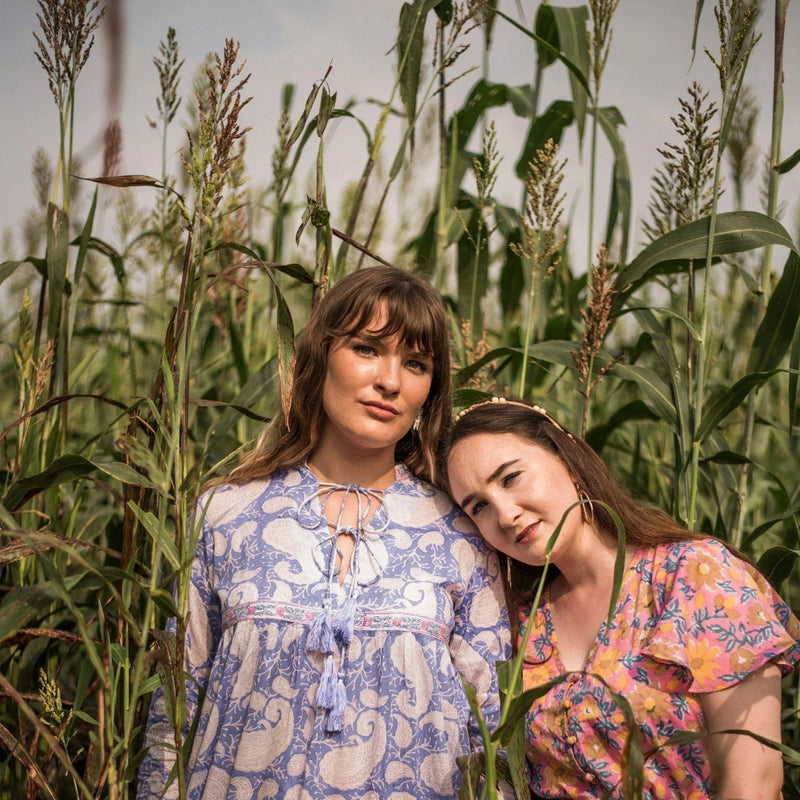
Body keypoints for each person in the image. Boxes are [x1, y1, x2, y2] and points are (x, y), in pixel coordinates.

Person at [135, 267, 510, 800]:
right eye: (366, 349)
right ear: (320, 356)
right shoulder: (223, 513)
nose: (390, 380)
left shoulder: (463, 535)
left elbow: (490, 728)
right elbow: (174, 709)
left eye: (416, 363)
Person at [441, 396, 800, 800]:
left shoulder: (696, 576)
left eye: (510, 478)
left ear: (566, 456)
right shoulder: (519, 625)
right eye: (479, 507)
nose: (505, 515)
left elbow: (755, 783)